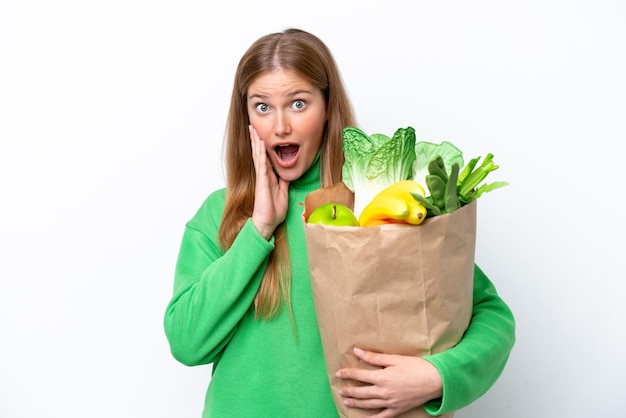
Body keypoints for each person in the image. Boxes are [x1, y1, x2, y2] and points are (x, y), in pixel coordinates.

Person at [164, 28, 515, 418]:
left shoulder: (374, 203)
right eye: (262, 107)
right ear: (245, 116)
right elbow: (186, 341)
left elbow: (489, 314)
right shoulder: (221, 215)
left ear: (327, 106)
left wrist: (437, 376)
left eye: (298, 104)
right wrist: (259, 229)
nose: (280, 127)